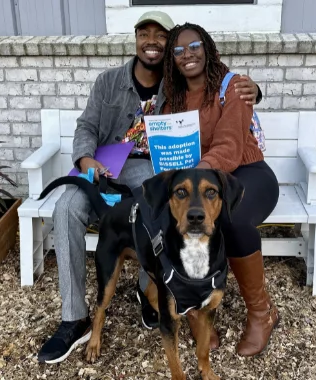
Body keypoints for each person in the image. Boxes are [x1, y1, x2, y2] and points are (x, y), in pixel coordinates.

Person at [37, 12, 263, 364]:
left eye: (161, 35)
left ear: (168, 46)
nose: (153, 41)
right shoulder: (108, 82)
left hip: (149, 168)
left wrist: (254, 90)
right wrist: (84, 160)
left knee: (157, 202)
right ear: (136, 38)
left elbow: (214, 82)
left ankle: (154, 291)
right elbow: (86, 126)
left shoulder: (175, 85)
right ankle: (73, 318)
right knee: (66, 207)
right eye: (145, 33)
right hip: (103, 165)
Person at [157, 22, 280, 357]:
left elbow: (229, 145)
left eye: (194, 46)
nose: (187, 55)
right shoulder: (172, 102)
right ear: (173, 59)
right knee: (177, 221)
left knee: (231, 219)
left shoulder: (235, 86)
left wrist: (196, 175)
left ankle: (262, 313)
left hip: (248, 175)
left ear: (207, 48)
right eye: (178, 51)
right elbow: (170, 152)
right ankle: (197, 311)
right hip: (202, 182)